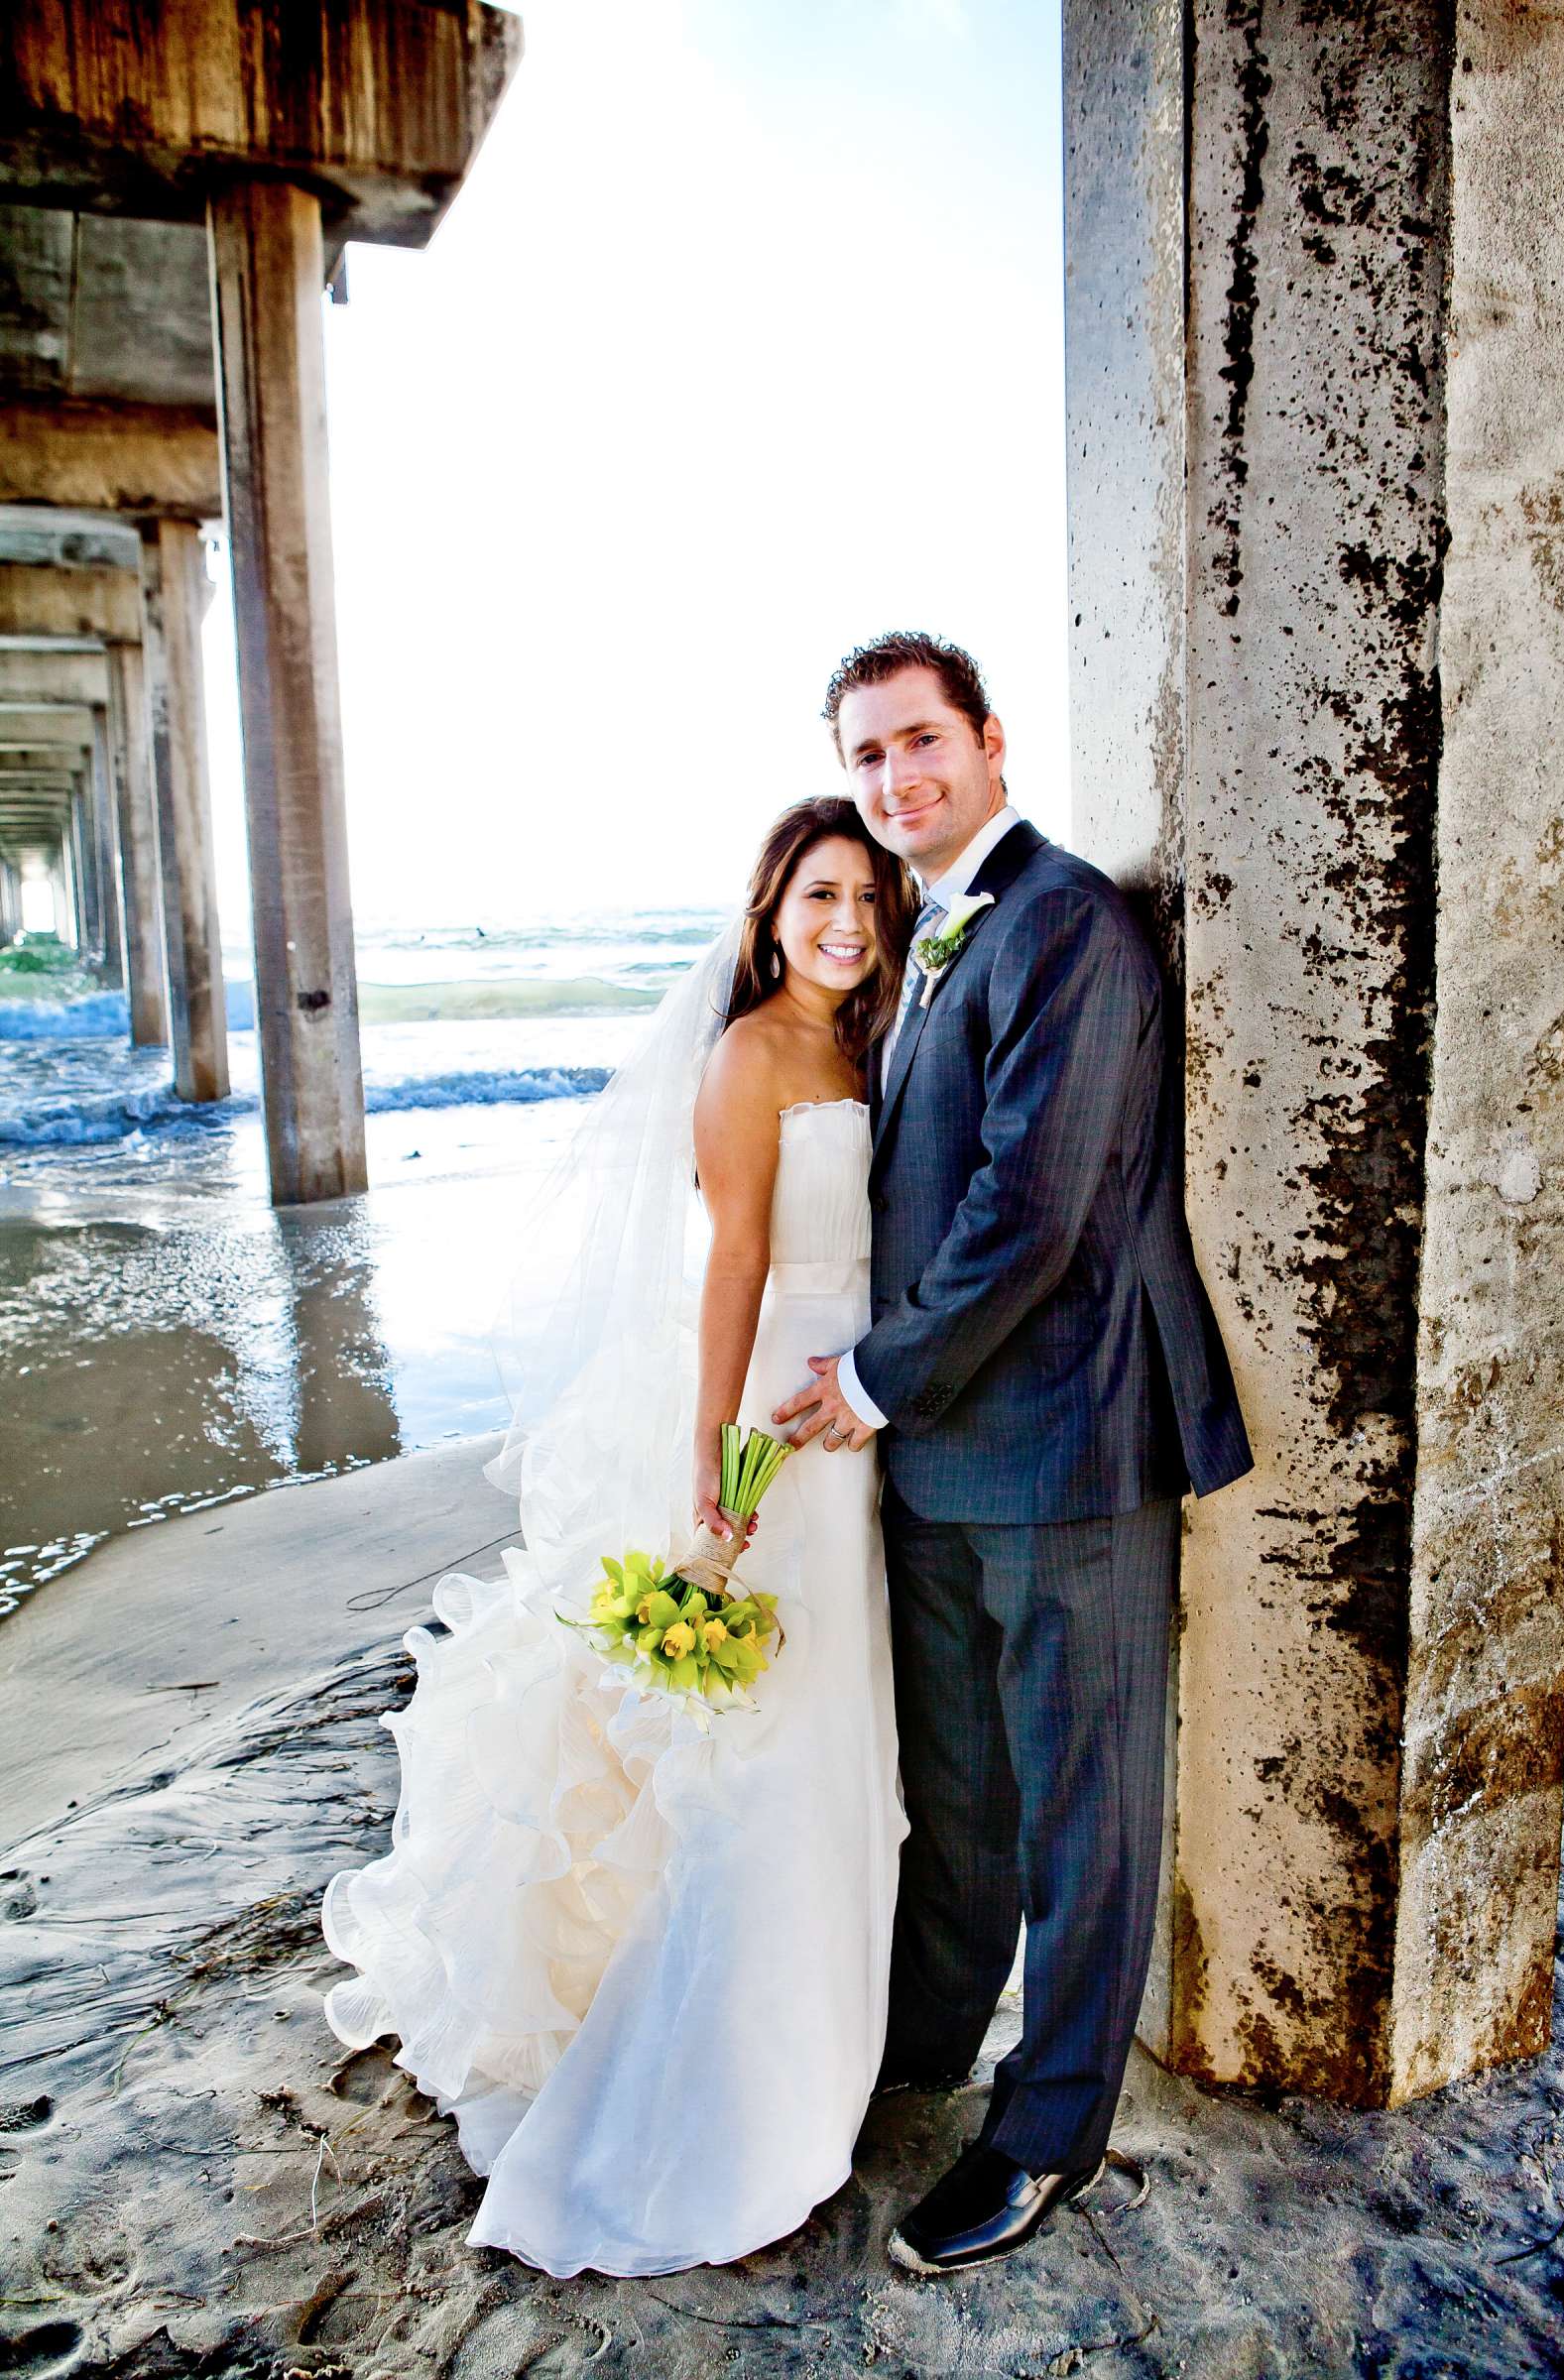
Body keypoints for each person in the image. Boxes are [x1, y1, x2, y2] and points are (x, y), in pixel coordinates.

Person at [320, 796, 915, 2276]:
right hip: (784, 1417)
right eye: (819, 896)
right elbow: (735, 1270)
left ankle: (836, 2049)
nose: (846, 922)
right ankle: (729, 2097)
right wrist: (721, 1463)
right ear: (770, 912)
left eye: (868, 898)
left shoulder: (865, 1039)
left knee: (846, 1733)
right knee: (771, 1745)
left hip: (873, 1414)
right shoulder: (751, 1054)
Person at [776, 631, 1253, 2277]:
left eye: (920, 743)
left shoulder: (1066, 925)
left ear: (988, 742)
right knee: (961, 1794)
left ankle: (1049, 2135)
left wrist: (873, 1381)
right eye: (868, 756)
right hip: (936, 1465)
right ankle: (925, 2049)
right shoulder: (928, 938)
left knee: (1082, 1814)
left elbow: (1033, 1212)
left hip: (1063, 1447)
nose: (897, 778)